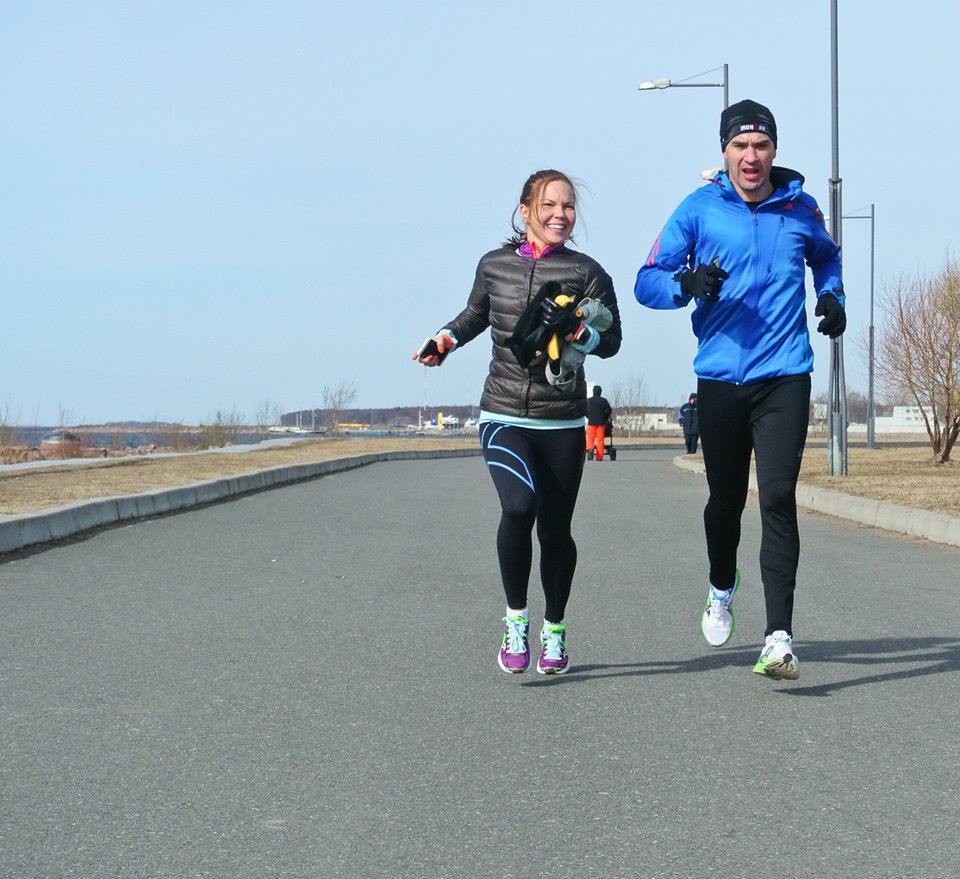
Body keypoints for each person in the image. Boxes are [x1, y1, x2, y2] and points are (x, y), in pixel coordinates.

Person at [634, 99, 845, 682]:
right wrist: (687, 283)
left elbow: (828, 261)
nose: (751, 156)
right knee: (725, 503)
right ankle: (721, 585)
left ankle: (778, 638)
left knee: (777, 498)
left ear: (774, 150)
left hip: (785, 375)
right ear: (724, 151)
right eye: (740, 146)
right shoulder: (698, 208)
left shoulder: (800, 207)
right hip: (720, 379)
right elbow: (646, 282)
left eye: (761, 145)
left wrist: (833, 297)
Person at [415, 169, 621, 675]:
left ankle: (555, 630)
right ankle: (515, 620)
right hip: (502, 412)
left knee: (555, 531)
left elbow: (612, 341)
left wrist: (579, 332)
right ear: (526, 210)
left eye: (568, 206)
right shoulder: (494, 265)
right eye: (549, 205)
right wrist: (443, 340)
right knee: (519, 506)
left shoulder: (588, 272)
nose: (560, 214)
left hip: (562, 420)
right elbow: (474, 315)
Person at [586, 385, 612, 461]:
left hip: (591, 423)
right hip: (601, 423)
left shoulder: (589, 401)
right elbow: (609, 410)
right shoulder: (604, 401)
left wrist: (589, 416)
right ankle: (599, 457)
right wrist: (605, 417)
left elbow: (584, 410)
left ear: (593, 392)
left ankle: (590, 448)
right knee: (600, 439)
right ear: (600, 392)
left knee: (590, 438)